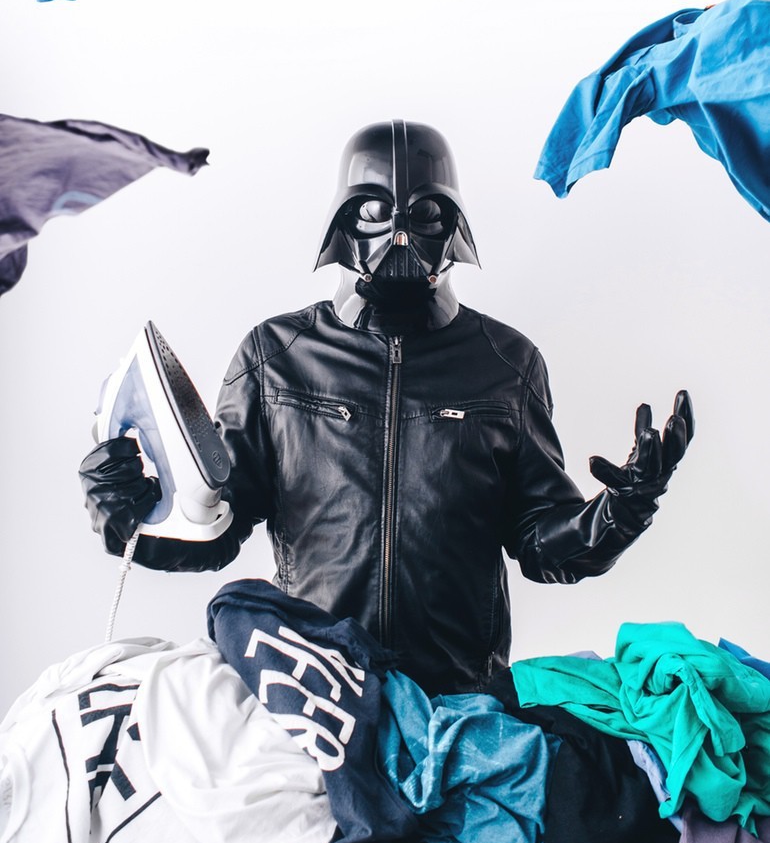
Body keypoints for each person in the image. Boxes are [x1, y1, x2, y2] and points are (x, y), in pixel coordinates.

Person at [79, 120, 693, 696]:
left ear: (452, 220)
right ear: (343, 217)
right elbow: (214, 527)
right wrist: (127, 514)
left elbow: (542, 543)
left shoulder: (507, 362)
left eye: (424, 212)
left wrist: (622, 510)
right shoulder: (276, 356)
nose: (398, 231)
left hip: (459, 702)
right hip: (314, 694)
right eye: (374, 208)